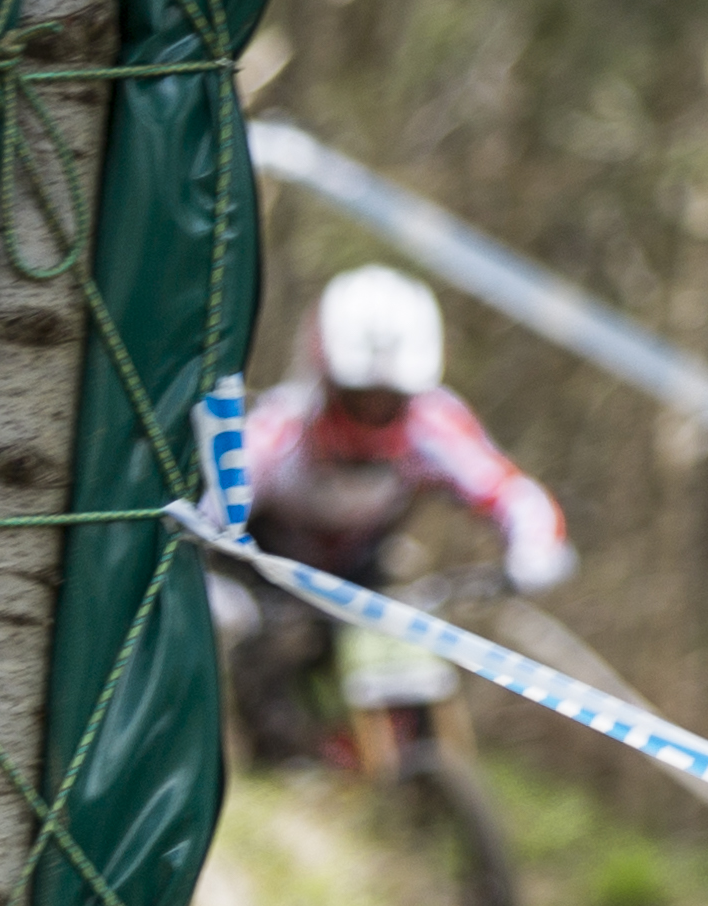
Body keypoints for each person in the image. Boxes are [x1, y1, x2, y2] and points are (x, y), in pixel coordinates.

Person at [221, 264, 573, 766]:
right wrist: (214, 586)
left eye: (391, 400)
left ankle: (415, 774)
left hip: (366, 568)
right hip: (267, 571)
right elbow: (209, 512)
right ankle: (288, 768)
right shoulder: (279, 429)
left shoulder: (434, 424)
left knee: (413, 638)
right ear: (323, 374)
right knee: (272, 663)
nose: (376, 413)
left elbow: (510, 491)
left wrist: (535, 549)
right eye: (360, 397)